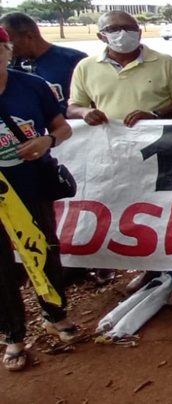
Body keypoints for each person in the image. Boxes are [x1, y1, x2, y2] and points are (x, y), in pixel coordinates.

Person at [66, 11, 172, 298]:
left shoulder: (165, 63)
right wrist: (86, 113)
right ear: (100, 35)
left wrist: (154, 115)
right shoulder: (86, 67)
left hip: (160, 150)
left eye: (129, 28)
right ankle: (149, 268)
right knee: (133, 208)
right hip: (112, 152)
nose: (122, 33)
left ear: (139, 32)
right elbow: (73, 106)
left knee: (170, 208)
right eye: (114, 29)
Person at [0, 26, 77, 372]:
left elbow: (62, 127)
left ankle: (54, 313)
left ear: (8, 49)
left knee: (45, 248)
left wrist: (46, 142)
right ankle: (12, 334)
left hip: (32, 182)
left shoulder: (32, 86)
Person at [0, 12, 87, 114]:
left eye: (9, 41)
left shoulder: (73, 59)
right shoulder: (10, 66)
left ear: (29, 36)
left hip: (71, 126)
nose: (6, 46)